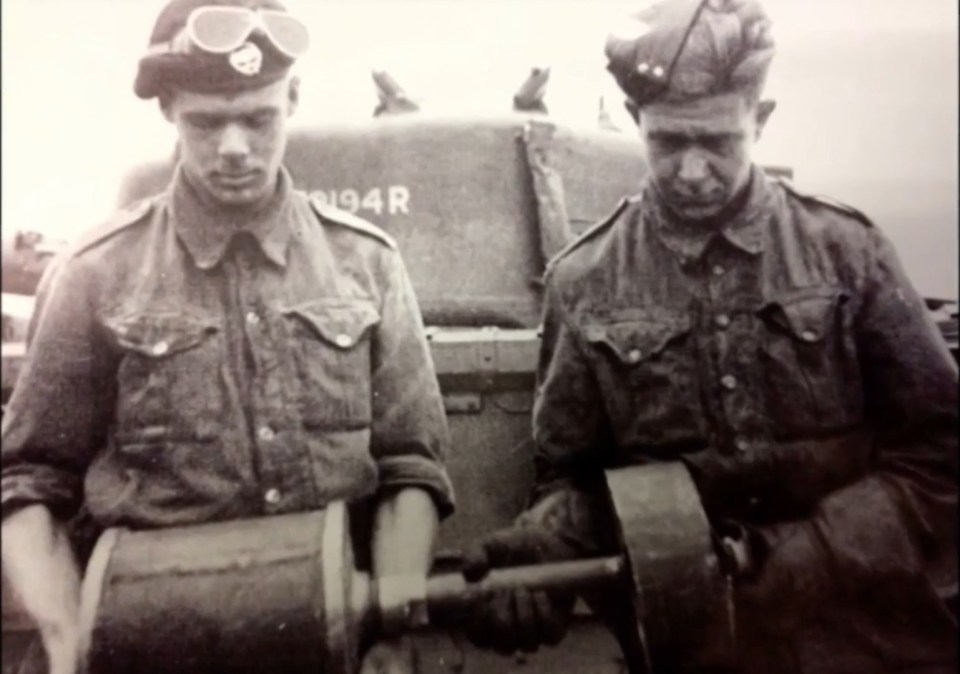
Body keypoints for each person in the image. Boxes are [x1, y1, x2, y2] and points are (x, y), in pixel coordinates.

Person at [462, 0, 958, 672]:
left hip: (868, 633)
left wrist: (815, 553)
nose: (692, 172)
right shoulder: (583, 280)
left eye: (719, 142)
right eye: (668, 142)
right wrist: (544, 550)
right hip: (695, 644)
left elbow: (940, 450)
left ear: (761, 118)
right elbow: (571, 476)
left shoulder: (848, 252)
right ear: (637, 122)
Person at [0, 2, 454, 673]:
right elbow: (28, 482)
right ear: (169, 114)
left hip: (328, 649)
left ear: (293, 99)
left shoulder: (368, 263)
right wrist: (69, 639)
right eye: (206, 123)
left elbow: (410, 465)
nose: (235, 147)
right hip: (147, 649)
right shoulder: (95, 273)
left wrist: (392, 622)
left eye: (259, 117)